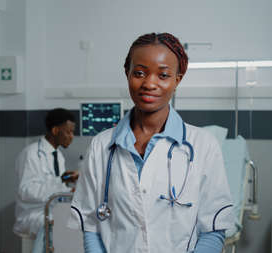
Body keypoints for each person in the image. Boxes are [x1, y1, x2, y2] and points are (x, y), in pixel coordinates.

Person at [68, 33, 234, 253]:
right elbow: (90, 226)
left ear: (178, 79)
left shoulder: (203, 146)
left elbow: (213, 228)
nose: (149, 83)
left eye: (163, 75)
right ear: (127, 73)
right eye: (139, 73)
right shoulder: (101, 146)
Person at [14, 108, 79, 252]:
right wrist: (60, 183)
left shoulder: (58, 156)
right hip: (33, 213)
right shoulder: (31, 154)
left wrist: (70, 188)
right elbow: (26, 191)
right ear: (55, 130)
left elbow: (56, 184)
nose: (72, 136)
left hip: (52, 208)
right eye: (68, 132)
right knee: (56, 224)